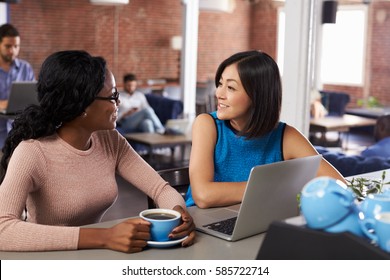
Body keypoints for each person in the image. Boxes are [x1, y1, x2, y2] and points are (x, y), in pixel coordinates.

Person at [0, 50, 195, 252]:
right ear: (83, 105)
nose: (118, 103)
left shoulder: (110, 140)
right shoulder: (32, 152)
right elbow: (3, 229)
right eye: (113, 96)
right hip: (49, 258)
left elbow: (160, 189)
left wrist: (178, 213)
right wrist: (105, 237)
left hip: (94, 254)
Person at [186, 50, 346, 208]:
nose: (219, 93)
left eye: (231, 88)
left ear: (257, 95)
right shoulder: (207, 125)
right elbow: (203, 195)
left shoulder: (285, 136)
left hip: (252, 221)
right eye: (220, 84)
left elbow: (339, 184)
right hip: (200, 224)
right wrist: (274, 187)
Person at [0, 23, 35, 148]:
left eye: (16, 46)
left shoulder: (26, 68)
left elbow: (33, 99)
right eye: (8, 46)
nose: (12, 51)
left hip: (19, 141)